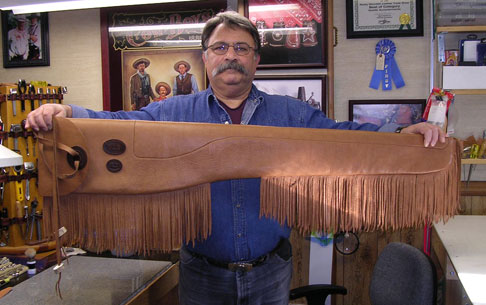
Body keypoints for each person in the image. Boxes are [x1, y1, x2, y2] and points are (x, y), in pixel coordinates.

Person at [26, 11, 446, 305]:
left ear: (256, 60)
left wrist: (401, 133)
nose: (231, 56)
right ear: (205, 57)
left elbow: (346, 139)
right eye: (221, 47)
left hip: (272, 271)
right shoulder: (172, 112)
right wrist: (68, 116)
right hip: (202, 272)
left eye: (242, 49)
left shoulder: (292, 115)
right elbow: (118, 124)